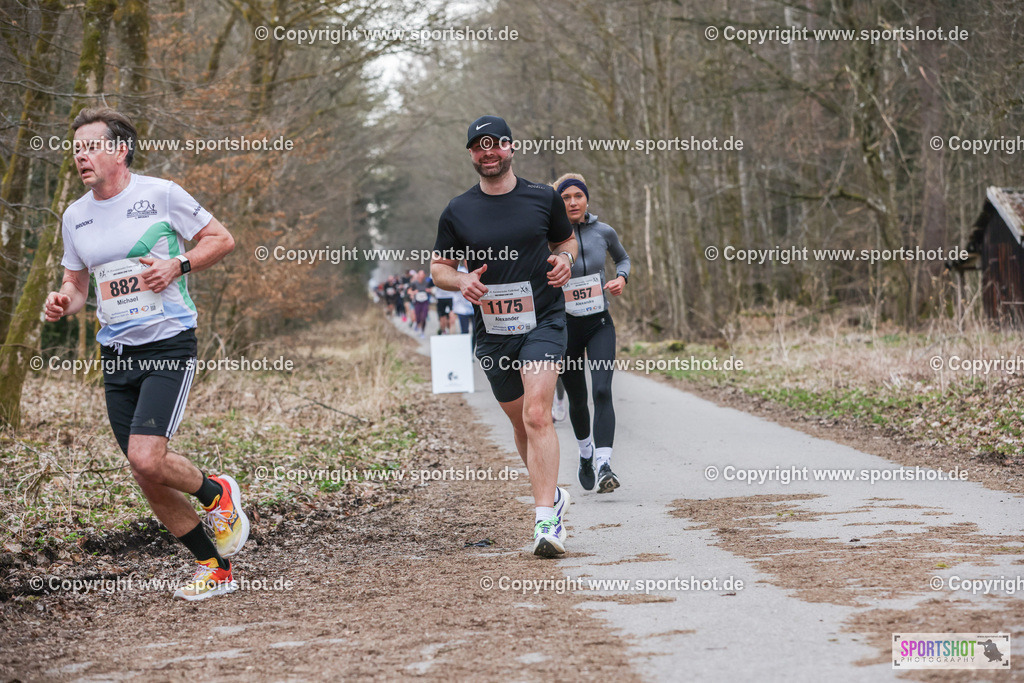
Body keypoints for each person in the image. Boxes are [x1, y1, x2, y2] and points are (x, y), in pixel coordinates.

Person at [43, 108, 246, 601]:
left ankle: (217, 493)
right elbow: (76, 283)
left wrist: (178, 264)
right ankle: (213, 567)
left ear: (120, 149)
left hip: (168, 340)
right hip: (116, 351)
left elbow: (221, 239)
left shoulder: (162, 194)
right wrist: (62, 301)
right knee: (144, 470)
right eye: (76, 149)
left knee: (146, 455)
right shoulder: (75, 215)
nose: (80, 156)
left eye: (90, 146)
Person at [431, 115, 578, 557]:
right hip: (493, 332)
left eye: (495, 144)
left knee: (538, 415)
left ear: (511, 148)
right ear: (472, 154)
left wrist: (566, 261)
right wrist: (460, 282)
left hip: (545, 321)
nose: (488, 152)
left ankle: (546, 523)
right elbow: (438, 269)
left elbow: (566, 241)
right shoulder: (458, 210)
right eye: (479, 146)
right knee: (520, 423)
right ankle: (551, 495)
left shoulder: (542, 197)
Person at [553, 173, 631, 494]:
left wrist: (621, 279)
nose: (572, 202)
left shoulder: (604, 231)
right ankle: (586, 454)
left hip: (599, 323)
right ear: (558, 202)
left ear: (587, 199)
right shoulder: (549, 236)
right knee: (578, 398)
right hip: (566, 327)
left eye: (578, 196)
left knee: (602, 391)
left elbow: (622, 259)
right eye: (566, 197)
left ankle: (603, 464)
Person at [451, 263, 476, 353]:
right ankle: (465, 352)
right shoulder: (459, 272)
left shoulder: (476, 270)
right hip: (461, 308)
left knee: (475, 332)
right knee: (465, 331)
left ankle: (471, 352)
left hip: (474, 308)